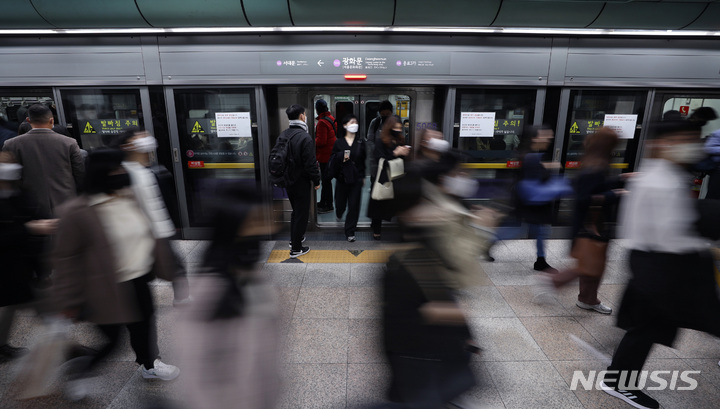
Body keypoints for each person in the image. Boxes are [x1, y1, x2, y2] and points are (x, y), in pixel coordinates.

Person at [601, 120, 720, 409]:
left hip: (653, 260)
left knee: (649, 324)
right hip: (662, 262)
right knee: (649, 325)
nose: (693, 145)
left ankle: (617, 378)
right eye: (685, 138)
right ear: (662, 143)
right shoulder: (661, 180)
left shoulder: (662, 174)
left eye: (694, 138)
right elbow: (671, 236)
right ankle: (618, 382)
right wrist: (709, 248)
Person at [53, 149, 179, 400]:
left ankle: (150, 366)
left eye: (122, 168)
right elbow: (66, 259)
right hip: (103, 286)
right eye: (115, 170)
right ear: (100, 174)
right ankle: (81, 371)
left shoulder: (128, 197)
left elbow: (148, 232)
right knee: (113, 341)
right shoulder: (77, 211)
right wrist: (69, 300)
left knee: (144, 327)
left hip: (138, 277)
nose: (121, 174)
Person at [179, 185, 280, 409]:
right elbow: (201, 381)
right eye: (254, 223)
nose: (267, 228)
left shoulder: (248, 275)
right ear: (232, 228)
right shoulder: (211, 294)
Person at [539, 127, 626, 314]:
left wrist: (620, 179)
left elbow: (595, 187)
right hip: (591, 225)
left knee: (592, 265)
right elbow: (584, 198)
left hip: (590, 224)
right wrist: (614, 194)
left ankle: (587, 299)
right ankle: (553, 281)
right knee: (590, 266)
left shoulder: (593, 162)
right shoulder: (595, 166)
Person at [114, 127, 191, 305]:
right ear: (128, 145)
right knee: (142, 271)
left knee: (174, 266)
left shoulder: (152, 170)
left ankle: (182, 297)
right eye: (141, 137)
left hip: (160, 229)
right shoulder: (123, 173)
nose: (147, 139)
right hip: (141, 233)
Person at [0, 152, 57, 362]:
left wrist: (43, 268)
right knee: (36, 306)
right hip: (6, 267)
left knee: (25, 305)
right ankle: (64, 347)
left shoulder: (21, 193)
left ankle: (63, 344)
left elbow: (38, 216)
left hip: (25, 265)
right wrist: (28, 229)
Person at [487, 125, 563, 273]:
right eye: (545, 135)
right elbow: (534, 179)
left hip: (529, 203)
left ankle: (540, 260)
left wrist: (546, 166)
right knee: (521, 230)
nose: (549, 138)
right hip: (530, 204)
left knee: (535, 231)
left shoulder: (529, 154)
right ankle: (540, 261)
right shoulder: (530, 157)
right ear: (534, 138)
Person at [3, 104, 84, 219]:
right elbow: (80, 173)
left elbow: (11, 179)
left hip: (31, 205)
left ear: (28, 120)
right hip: (66, 203)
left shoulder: (11, 144)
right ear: (51, 120)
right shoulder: (69, 143)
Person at [282, 105, 321, 258]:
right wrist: (316, 180)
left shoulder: (284, 134)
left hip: (288, 180)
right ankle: (296, 249)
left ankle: (294, 239)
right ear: (302, 116)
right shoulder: (305, 137)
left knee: (295, 212)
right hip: (301, 182)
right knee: (301, 214)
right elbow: (311, 164)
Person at [368, 115, 410, 240]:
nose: (397, 130)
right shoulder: (381, 140)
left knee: (398, 205)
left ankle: (402, 229)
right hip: (384, 177)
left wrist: (404, 153)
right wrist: (395, 153)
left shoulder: (400, 140)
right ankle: (376, 230)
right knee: (379, 203)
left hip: (397, 177)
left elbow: (402, 160)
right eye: (395, 127)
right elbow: (379, 158)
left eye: (399, 128)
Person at [330, 114, 366, 242]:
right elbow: (333, 159)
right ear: (345, 125)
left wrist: (362, 176)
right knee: (340, 202)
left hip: (356, 179)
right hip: (342, 178)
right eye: (351, 122)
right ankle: (339, 212)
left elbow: (363, 160)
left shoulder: (361, 142)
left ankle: (350, 231)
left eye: (355, 122)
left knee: (354, 205)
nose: (354, 124)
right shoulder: (338, 142)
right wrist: (341, 157)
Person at [314, 99, 337, 214]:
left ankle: (327, 205)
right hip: (331, 155)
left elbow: (321, 141)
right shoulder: (331, 119)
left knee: (326, 181)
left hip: (324, 156)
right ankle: (326, 202)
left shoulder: (322, 122)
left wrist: (311, 141)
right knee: (327, 181)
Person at [367, 100, 394, 180]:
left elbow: (399, 140)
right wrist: (378, 152)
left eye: (387, 114)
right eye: (383, 114)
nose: (385, 116)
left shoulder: (395, 123)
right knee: (375, 183)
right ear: (379, 113)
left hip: (390, 159)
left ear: (391, 113)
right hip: (376, 160)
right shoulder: (375, 123)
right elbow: (370, 139)